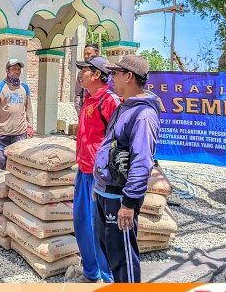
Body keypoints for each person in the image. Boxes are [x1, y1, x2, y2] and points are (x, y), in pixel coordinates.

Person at [92, 55, 161, 283]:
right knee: (110, 254)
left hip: (119, 198)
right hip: (105, 191)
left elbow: (142, 162)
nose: (111, 79)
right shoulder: (124, 107)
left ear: (129, 76)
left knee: (123, 260)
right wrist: (98, 183)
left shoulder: (143, 115)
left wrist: (129, 203)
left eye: (115, 74)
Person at [72, 56, 120, 283]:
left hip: (99, 177)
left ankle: (107, 277)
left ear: (98, 75)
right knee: (82, 223)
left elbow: (120, 140)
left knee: (100, 228)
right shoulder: (89, 99)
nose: (81, 74)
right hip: (83, 171)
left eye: (85, 70)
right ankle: (90, 272)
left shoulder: (109, 101)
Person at [0, 58, 34, 170]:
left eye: (19, 69)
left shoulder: (25, 88)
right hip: (3, 132)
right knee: (0, 160)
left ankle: (12, 185)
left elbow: (28, 108)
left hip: (20, 132)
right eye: (14, 68)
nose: (17, 71)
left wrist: (30, 126)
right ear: (8, 70)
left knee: (17, 161)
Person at [75, 44, 100, 115]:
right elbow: (78, 94)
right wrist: (80, 112)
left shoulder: (104, 71)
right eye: (84, 54)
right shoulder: (80, 74)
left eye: (88, 54)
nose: (86, 56)